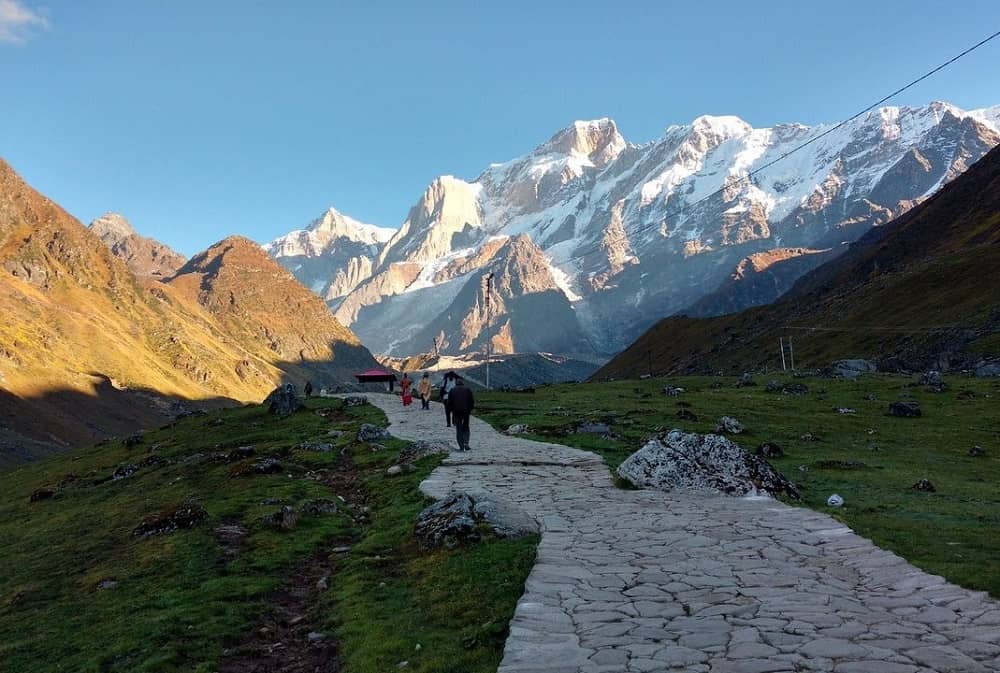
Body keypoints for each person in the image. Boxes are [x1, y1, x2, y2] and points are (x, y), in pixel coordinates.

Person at [448, 377, 474, 451]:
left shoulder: (452, 390)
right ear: (463, 383)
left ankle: (461, 446)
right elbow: (471, 401)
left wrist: (451, 411)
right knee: (466, 427)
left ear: (456, 383)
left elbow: (449, 403)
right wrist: (470, 410)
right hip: (466, 411)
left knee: (458, 429)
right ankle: (466, 442)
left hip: (456, 412)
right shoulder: (467, 390)